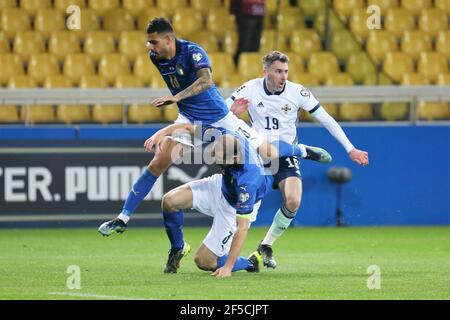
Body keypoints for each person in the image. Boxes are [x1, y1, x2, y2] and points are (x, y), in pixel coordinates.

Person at [98, 18, 329, 236]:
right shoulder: (155, 57)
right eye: (148, 42)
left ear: (169, 39)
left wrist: (177, 97)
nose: (150, 46)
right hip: (188, 117)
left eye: (154, 41)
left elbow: (206, 81)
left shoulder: (192, 52)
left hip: (220, 118)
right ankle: (122, 218)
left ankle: (302, 150)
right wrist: (177, 109)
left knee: (270, 152)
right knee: (158, 162)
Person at [228, 51, 369, 268]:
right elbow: (221, 110)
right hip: (257, 152)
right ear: (265, 71)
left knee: (293, 200)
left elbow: (327, 119)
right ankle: (227, 254)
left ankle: (266, 245)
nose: (283, 76)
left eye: (285, 71)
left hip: (285, 154)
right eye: (277, 71)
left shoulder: (298, 92)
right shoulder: (250, 88)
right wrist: (232, 111)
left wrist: (351, 149)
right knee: (246, 209)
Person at [144, 122, 273, 277]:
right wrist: (162, 132)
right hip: (221, 185)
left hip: (234, 206)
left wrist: (228, 268)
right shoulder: (223, 134)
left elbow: (242, 227)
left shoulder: (249, 181)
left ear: (234, 157)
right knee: (170, 201)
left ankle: (250, 262)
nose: (214, 159)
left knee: (204, 261)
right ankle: (178, 248)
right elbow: (188, 127)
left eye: (219, 159)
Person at [230, 0, 265, 64]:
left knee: (256, 45)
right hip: (245, 12)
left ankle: (251, 66)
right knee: (245, 44)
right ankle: (238, 65)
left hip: (259, 12)